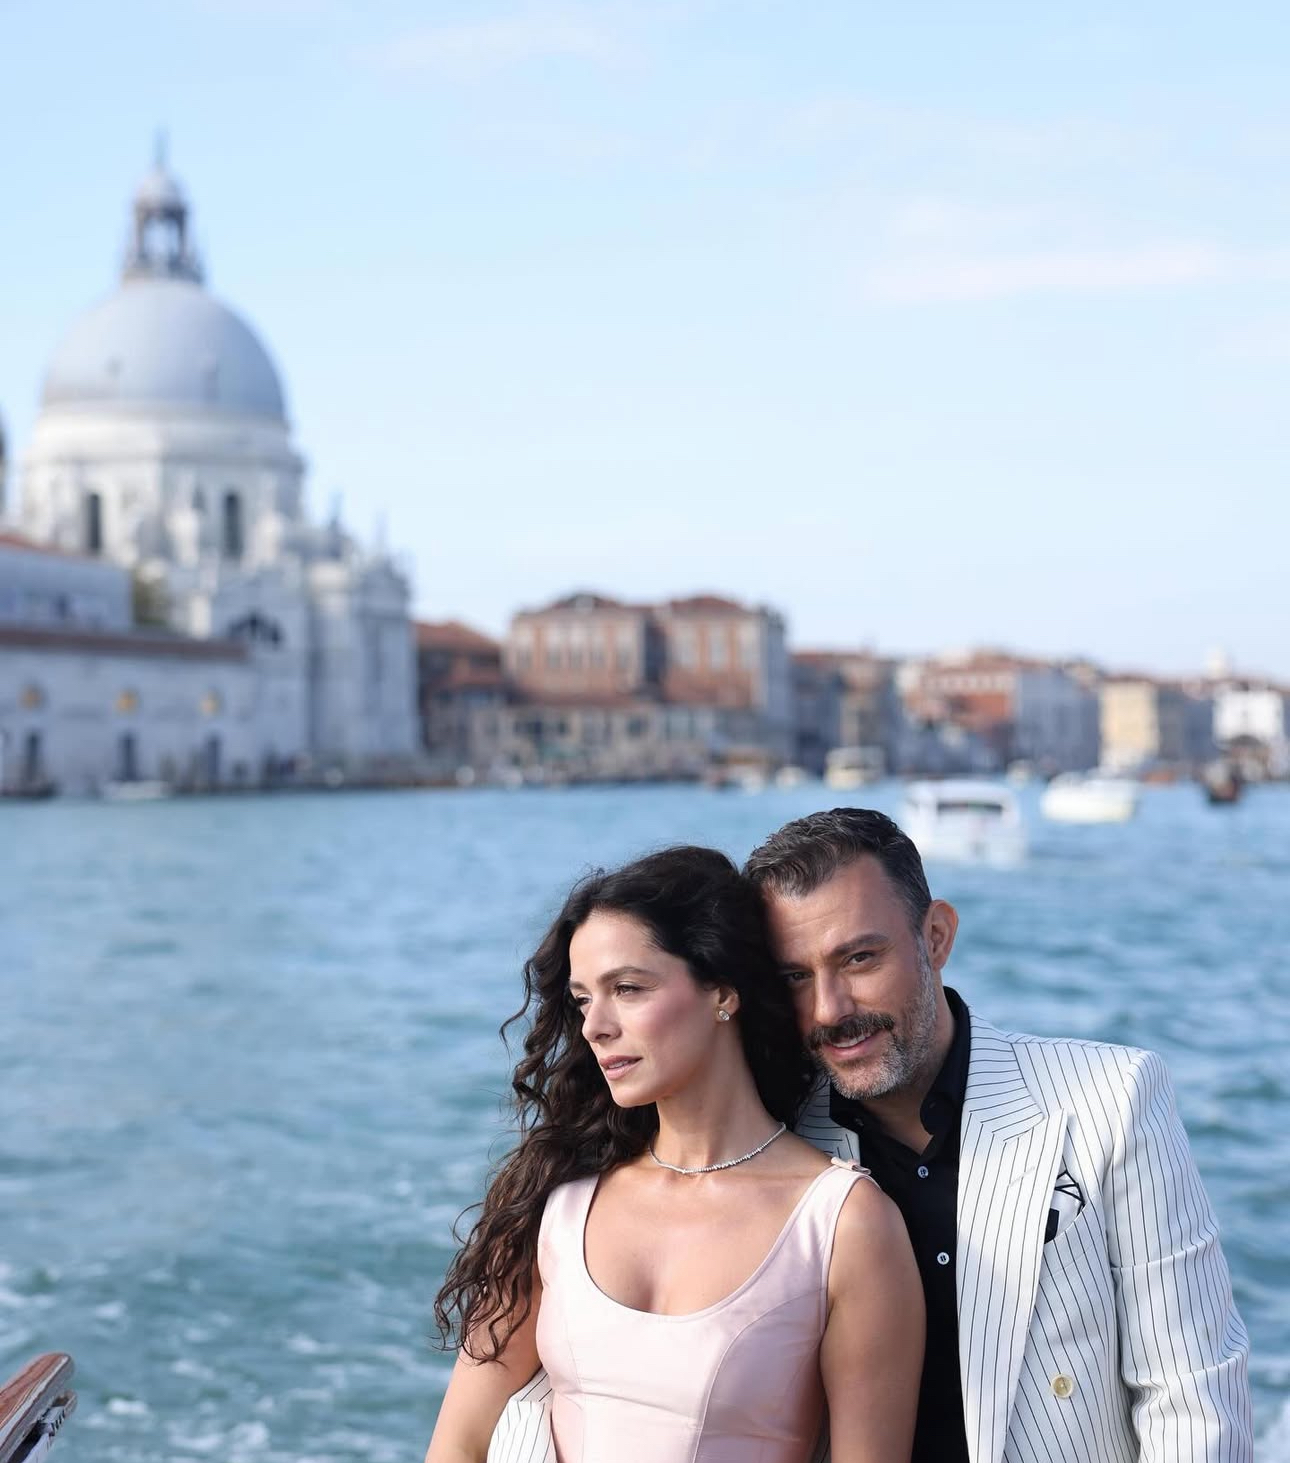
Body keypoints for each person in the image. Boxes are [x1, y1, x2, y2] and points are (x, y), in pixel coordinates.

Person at [744, 807, 1253, 1463]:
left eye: (860, 958)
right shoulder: (774, 1140)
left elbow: (1193, 1399)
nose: (830, 1008)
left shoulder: (1112, 1100)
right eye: (795, 977)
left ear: (936, 937)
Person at [425, 845, 924, 1463]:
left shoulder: (843, 1224)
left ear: (722, 992)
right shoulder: (557, 1198)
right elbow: (458, 1444)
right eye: (583, 999)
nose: (595, 1026)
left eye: (627, 988)